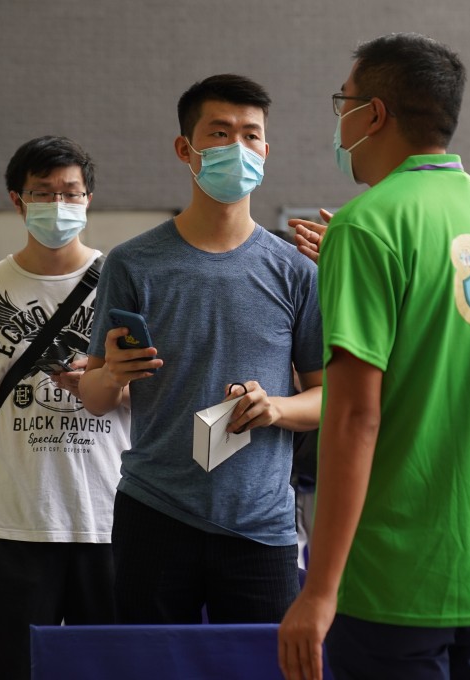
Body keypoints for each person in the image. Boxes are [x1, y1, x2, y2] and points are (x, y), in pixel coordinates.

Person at [277, 34, 470, 680]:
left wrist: (320, 589)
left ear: (376, 115)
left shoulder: (367, 226)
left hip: (398, 577)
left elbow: (354, 419)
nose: (340, 119)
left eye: (346, 101)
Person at [79, 74, 323, 625]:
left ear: (266, 150)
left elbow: (327, 396)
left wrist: (277, 408)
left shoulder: (295, 270)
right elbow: (95, 396)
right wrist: (113, 374)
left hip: (261, 524)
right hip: (154, 513)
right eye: (219, 132)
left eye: (250, 135)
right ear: (184, 149)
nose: (237, 147)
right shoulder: (131, 262)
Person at [0, 135, 130, 680]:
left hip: (110, 518)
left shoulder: (124, 279)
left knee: (111, 666)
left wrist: (107, 380)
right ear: (17, 201)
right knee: (10, 667)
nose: (59, 206)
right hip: (18, 521)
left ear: (89, 198)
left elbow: (152, 388)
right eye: (43, 194)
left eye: (71, 193)